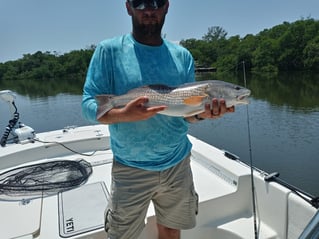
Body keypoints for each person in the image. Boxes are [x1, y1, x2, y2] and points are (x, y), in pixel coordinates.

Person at [82, 0, 234, 238]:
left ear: (166, 6)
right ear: (128, 7)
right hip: (130, 168)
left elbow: (185, 116)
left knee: (171, 231)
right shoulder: (108, 51)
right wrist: (124, 115)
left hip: (178, 164)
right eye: (140, 2)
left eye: (156, 2)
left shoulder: (182, 56)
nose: (149, 9)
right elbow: (89, 104)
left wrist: (202, 115)